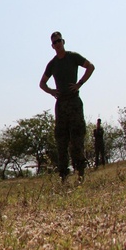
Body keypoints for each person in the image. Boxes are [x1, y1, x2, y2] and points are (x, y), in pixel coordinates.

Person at [39, 31, 95, 183]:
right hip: (61, 104)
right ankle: (63, 176)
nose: (57, 44)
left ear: (63, 41)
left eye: (59, 41)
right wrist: (51, 91)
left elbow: (90, 67)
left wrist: (79, 84)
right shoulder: (52, 64)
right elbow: (42, 83)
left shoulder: (73, 57)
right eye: (54, 42)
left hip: (74, 102)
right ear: (52, 46)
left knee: (77, 140)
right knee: (61, 141)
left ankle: (81, 174)